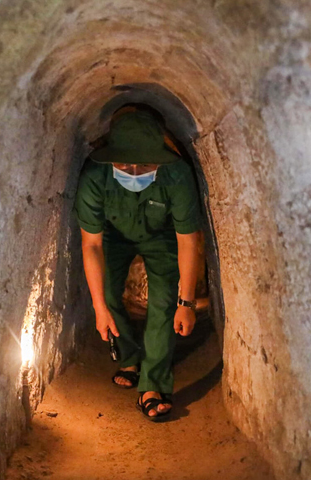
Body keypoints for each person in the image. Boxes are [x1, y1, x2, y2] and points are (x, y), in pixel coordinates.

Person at [74, 105, 203, 421]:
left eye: (144, 164)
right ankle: (129, 357)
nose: (133, 171)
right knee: (107, 293)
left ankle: (153, 383)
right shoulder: (95, 176)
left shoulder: (177, 175)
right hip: (112, 236)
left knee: (163, 303)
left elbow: (189, 240)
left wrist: (186, 301)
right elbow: (91, 245)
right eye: (124, 163)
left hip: (161, 236)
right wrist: (99, 308)